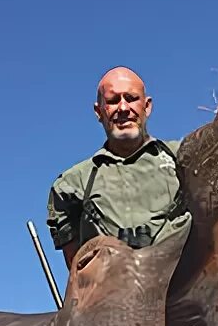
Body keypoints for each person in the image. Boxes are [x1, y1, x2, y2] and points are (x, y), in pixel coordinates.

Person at [46, 66, 189, 269]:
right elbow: (77, 268)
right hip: (111, 287)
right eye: (113, 101)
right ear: (99, 112)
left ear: (147, 106)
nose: (123, 108)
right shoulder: (71, 184)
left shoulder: (185, 156)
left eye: (131, 98)